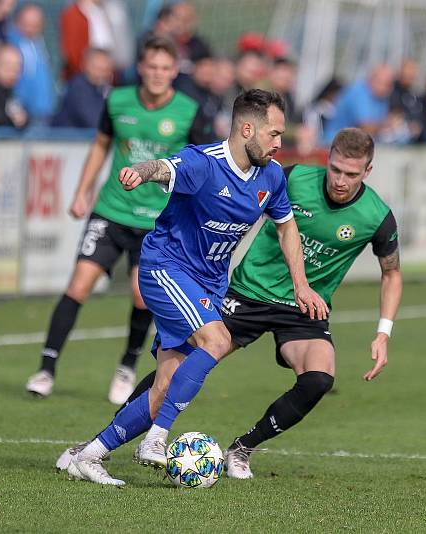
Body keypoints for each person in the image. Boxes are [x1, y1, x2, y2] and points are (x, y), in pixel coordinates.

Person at [57, 128, 403, 480]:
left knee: (319, 378)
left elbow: (391, 274)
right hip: (248, 292)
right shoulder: (292, 177)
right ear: (327, 159)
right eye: (335, 169)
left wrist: (383, 332)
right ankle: (95, 446)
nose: (341, 180)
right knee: (174, 368)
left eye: (352, 174)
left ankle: (242, 449)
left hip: (304, 308)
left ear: (368, 171)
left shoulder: (376, 216)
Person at [65, 89, 329, 486]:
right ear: (246, 129)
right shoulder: (203, 163)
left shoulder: (271, 175)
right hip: (165, 269)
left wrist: (301, 285)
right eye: (273, 134)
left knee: (166, 384)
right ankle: (155, 439)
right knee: (217, 341)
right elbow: (164, 167)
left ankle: (89, 455)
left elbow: (287, 226)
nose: (280, 143)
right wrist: (143, 171)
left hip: (207, 283)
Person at [25, 36, 213, 403]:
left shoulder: (190, 111)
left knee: (143, 298)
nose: (158, 74)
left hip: (156, 220)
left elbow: (199, 164)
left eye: (165, 68)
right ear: (141, 68)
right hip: (111, 210)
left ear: (174, 71)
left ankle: (126, 366)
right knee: (78, 285)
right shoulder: (118, 100)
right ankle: (46, 368)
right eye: (151, 67)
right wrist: (83, 190)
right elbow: (101, 144)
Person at [8, 3, 55, 124]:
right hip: (23, 113)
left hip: (43, 112)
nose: (29, 29)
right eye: (25, 24)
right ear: (18, 22)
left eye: (35, 26)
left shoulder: (40, 44)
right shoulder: (11, 44)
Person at [322, 64, 394, 142]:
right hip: (336, 144)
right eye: (385, 84)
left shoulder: (381, 97)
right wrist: (388, 124)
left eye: (390, 85)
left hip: (356, 144)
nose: (388, 89)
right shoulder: (358, 92)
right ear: (371, 79)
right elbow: (365, 127)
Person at [51, 48, 113, 128]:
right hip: (65, 138)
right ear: (85, 66)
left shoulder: (101, 88)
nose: (102, 74)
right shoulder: (79, 88)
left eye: (106, 69)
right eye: (98, 68)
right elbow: (95, 122)